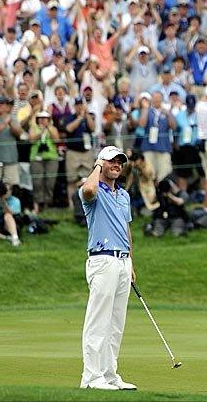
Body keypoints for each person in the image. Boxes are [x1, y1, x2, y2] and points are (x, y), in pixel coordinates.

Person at [79, 146, 137, 391]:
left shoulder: (123, 195)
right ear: (102, 163)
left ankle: (109, 374)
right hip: (102, 260)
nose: (117, 165)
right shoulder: (91, 189)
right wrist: (98, 166)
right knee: (98, 321)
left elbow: (126, 229)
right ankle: (91, 378)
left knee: (115, 323)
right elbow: (89, 190)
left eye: (120, 162)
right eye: (112, 161)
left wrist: (131, 261)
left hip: (123, 261)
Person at [29, 110, 60, 213]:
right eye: (41, 118)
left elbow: (56, 140)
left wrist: (48, 128)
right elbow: (31, 139)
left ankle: (47, 204)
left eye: (45, 118)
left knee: (50, 181)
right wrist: (41, 131)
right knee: (37, 182)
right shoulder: (34, 128)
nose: (43, 120)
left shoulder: (52, 128)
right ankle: (38, 204)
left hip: (51, 157)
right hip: (36, 158)